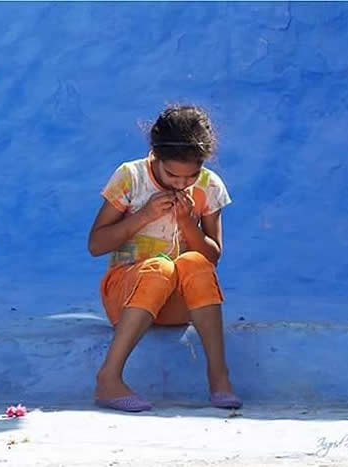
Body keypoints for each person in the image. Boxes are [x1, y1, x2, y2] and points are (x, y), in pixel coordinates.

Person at [88, 105, 242, 412]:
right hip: (126, 299)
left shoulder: (209, 186)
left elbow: (213, 256)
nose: (181, 183)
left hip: (176, 306)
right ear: (155, 156)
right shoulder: (130, 178)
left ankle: (219, 375)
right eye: (172, 174)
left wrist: (188, 225)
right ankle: (109, 378)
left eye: (191, 175)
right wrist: (144, 215)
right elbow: (96, 244)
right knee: (160, 266)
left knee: (195, 263)